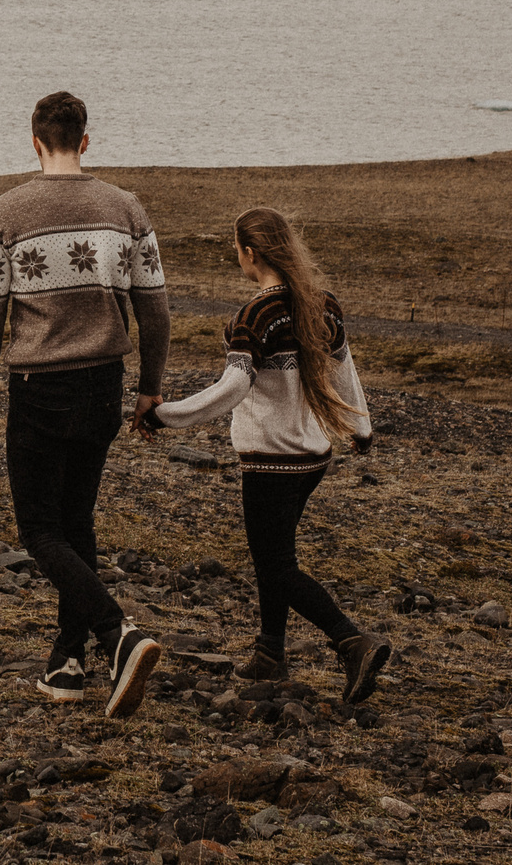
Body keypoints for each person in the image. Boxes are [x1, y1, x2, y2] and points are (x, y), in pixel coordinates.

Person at [0, 90, 168, 718]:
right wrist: (150, 385)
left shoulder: (6, 212)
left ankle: (117, 634)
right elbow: (154, 306)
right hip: (104, 383)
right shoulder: (124, 207)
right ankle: (66, 666)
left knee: (40, 530)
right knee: (76, 526)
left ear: (34, 141)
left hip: (38, 389)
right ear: (84, 141)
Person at [138, 206, 393, 707]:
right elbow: (345, 368)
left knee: (275, 565)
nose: (237, 256)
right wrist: (361, 427)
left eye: (236, 249)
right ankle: (270, 653)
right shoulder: (324, 305)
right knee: (276, 555)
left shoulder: (254, 316)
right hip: (313, 458)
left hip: (271, 461)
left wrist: (164, 416)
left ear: (250, 253)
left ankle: (351, 640)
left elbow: (232, 390)